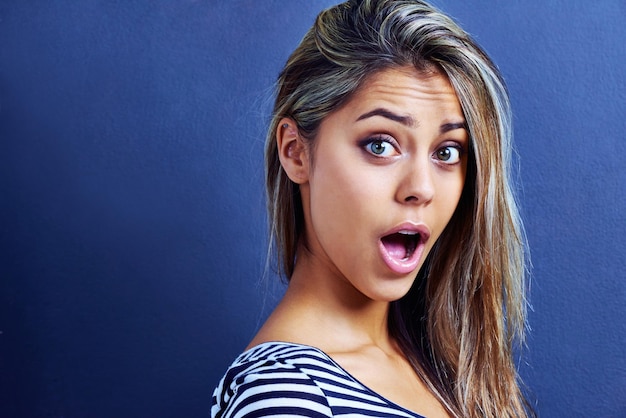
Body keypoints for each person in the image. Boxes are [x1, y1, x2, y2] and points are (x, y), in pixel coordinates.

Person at [211, 0, 534, 417]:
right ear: (295, 152)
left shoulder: (450, 366)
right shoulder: (285, 396)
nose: (420, 188)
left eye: (447, 151)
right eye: (380, 145)